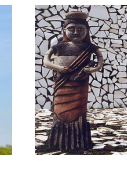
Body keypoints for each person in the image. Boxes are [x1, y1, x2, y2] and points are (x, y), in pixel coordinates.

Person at [43, 12, 104, 151]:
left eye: (81, 29)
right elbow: (46, 61)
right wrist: (58, 67)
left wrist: (93, 69)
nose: (76, 32)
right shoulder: (59, 46)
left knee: (78, 110)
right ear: (64, 30)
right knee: (60, 109)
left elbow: (100, 61)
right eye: (72, 29)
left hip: (80, 86)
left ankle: (78, 139)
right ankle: (59, 140)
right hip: (62, 84)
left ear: (87, 31)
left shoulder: (89, 47)